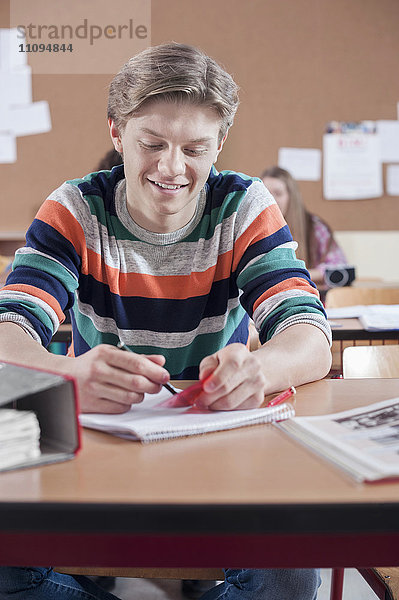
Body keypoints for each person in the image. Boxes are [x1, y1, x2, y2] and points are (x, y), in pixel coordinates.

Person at [0, 43, 331, 599]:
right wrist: (70, 376)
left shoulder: (242, 205)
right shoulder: (76, 209)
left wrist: (259, 369)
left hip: (219, 454)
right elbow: (9, 332)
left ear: (220, 144)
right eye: (151, 143)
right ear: (116, 133)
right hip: (94, 457)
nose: (172, 168)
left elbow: (310, 336)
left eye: (195, 148)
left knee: (291, 573)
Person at [261, 166, 347, 288]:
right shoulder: (255, 230)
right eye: (266, 194)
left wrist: (298, 275)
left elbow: (339, 268)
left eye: (278, 194)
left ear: (291, 197)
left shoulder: (314, 227)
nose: (271, 200)